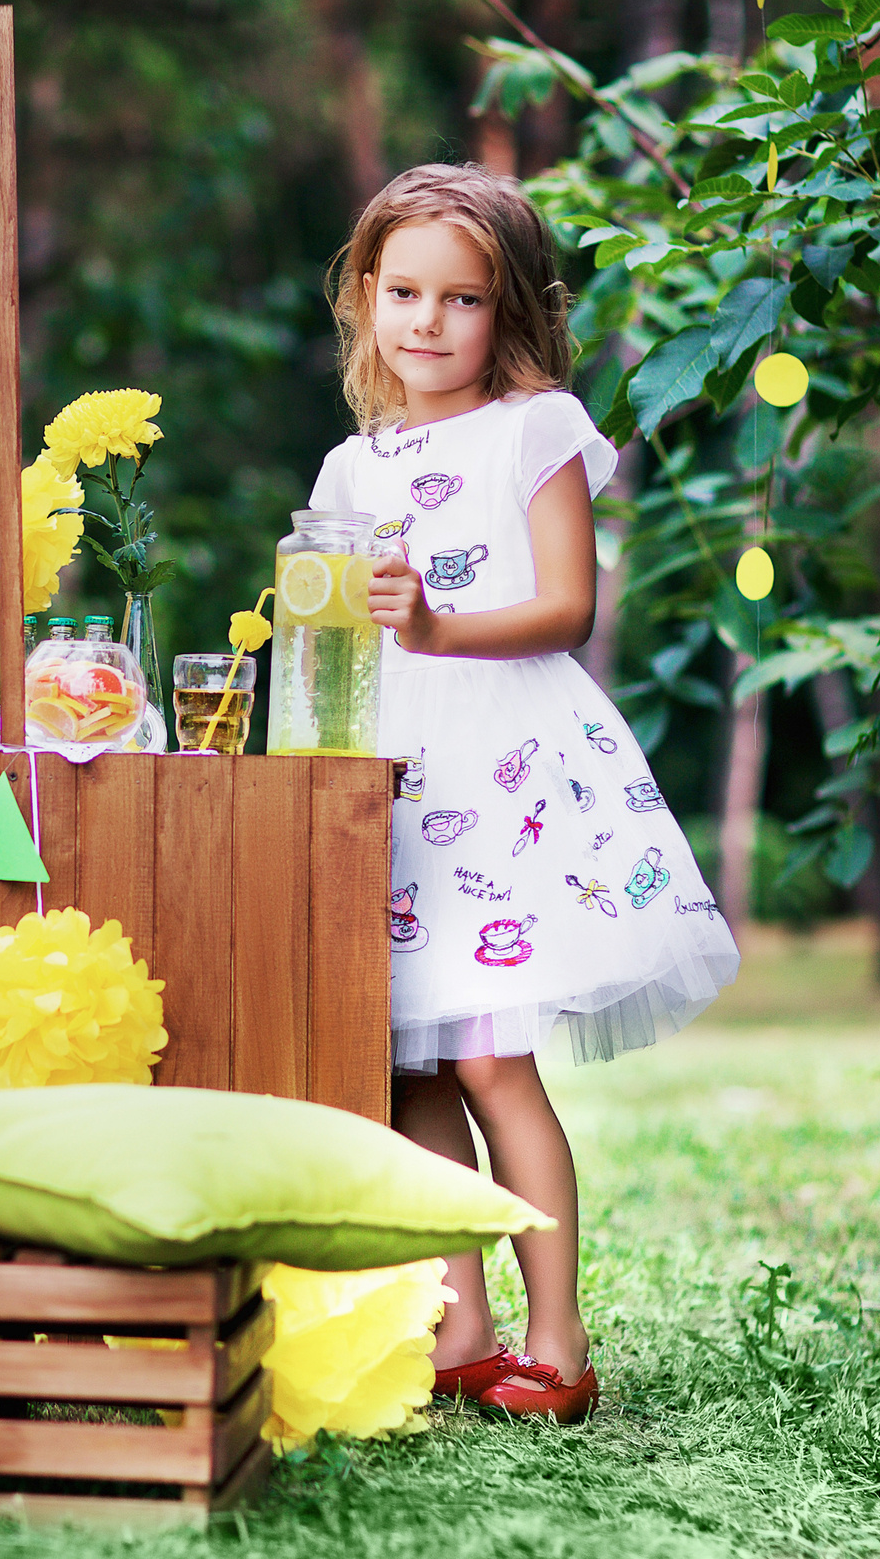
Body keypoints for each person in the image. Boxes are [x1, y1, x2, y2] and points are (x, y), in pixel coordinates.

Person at [313, 163, 741, 1423]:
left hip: (501, 770)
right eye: (402, 292)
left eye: (462, 298)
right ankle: (459, 1328)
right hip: (391, 784)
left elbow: (567, 604)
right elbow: (343, 629)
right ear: (364, 297)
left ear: (508, 315)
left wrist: (438, 629)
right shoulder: (351, 465)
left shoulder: (537, 424)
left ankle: (557, 1342)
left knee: (495, 1062)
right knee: (406, 1071)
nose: (427, 322)